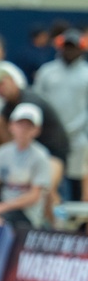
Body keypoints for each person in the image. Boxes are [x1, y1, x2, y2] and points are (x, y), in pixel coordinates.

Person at [0, 63, 69, 225]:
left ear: (12, 82)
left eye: (1, 84)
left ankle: (58, 227)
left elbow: (27, 134)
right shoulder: (7, 107)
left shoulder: (30, 102)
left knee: (48, 187)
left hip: (53, 152)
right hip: (27, 151)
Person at [0, 104, 52, 228]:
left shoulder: (41, 156)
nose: (23, 129)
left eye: (28, 126)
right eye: (20, 124)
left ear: (36, 130)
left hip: (26, 212)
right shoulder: (2, 152)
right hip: (3, 206)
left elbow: (34, 196)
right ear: (11, 126)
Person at [33, 28, 88, 201]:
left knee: (76, 179)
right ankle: (50, 222)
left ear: (81, 48)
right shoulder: (47, 72)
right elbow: (38, 101)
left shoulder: (86, 74)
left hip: (77, 137)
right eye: (66, 46)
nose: (69, 50)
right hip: (49, 136)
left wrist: (72, 129)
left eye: (73, 47)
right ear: (59, 47)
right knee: (48, 180)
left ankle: (77, 223)